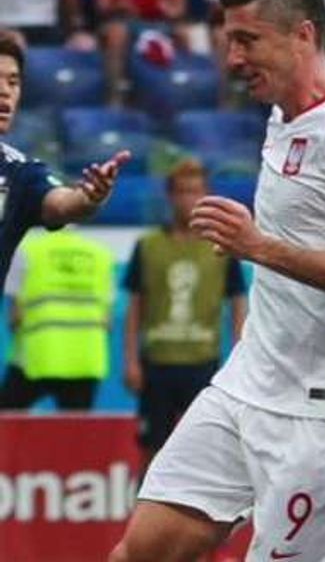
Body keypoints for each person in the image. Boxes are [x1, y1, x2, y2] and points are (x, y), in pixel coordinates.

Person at [108, 0, 325, 562]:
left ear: (302, 35)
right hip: (245, 385)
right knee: (137, 552)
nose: (232, 58)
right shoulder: (281, 119)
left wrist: (259, 247)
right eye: (228, 41)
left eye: (247, 41)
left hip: (324, 415)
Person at [122, 159, 248, 471]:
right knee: (152, 448)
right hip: (158, 363)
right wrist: (131, 361)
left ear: (206, 196)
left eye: (195, 192)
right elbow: (135, 306)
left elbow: (237, 303)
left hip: (202, 362)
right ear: (170, 196)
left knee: (206, 449)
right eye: (181, 192)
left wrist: (239, 358)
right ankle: (144, 512)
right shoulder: (148, 246)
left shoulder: (221, 246)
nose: (188, 200)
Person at [0, 32, 130, 285]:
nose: (5, 92)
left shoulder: (20, 173)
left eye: (13, 82)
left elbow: (64, 205)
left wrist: (90, 197)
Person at [0, 227, 114, 410]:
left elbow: (15, 317)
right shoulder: (100, 254)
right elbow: (107, 322)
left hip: (36, 359)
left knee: (6, 421)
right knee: (75, 434)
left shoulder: (26, 251)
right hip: (85, 361)